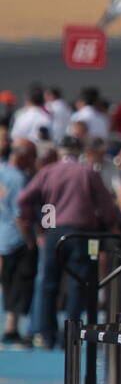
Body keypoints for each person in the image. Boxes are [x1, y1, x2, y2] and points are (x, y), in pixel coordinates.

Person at [18, 136, 121, 349]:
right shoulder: (87, 172)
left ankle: (46, 334)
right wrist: (110, 223)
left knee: (48, 283)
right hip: (81, 232)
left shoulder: (48, 171)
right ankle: (71, 334)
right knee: (77, 283)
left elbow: (24, 199)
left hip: (53, 230)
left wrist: (36, 222)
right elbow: (106, 205)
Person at [0, 138, 37, 345]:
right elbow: (20, 214)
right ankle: (13, 326)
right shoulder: (20, 179)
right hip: (16, 237)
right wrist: (30, 239)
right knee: (19, 283)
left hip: (4, 234)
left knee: (8, 281)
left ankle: (10, 324)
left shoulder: (3, 173)